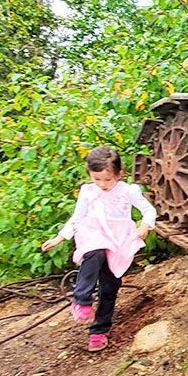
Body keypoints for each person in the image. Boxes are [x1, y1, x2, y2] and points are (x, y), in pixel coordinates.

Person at [42, 146, 156, 351]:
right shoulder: (88, 192)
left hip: (119, 239)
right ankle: (81, 300)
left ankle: (99, 330)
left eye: (107, 180)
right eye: (97, 179)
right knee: (95, 253)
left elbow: (148, 210)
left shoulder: (128, 191)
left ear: (119, 174)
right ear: (90, 175)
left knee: (110, 286)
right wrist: (60, 237)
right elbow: (77, 218)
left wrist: (144, 225)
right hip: (94, 233)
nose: (102, 185)